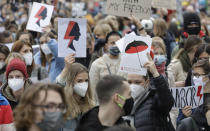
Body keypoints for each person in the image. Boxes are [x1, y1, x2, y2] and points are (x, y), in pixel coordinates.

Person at [131, 53, 174, 131]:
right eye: (129, 82)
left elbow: (167, 102)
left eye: (137, 82)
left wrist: (155, 74)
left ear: (147, 82)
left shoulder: (153, 98)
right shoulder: (124, 101)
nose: (133, 85)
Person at [58, 60, 95, 131]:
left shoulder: (91, 104)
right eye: (79, 81)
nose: (84, 84)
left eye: (86, 80)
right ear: (70, 82)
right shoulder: (62, 104)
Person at [89, 31, 126, 99]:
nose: (115, 45)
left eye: (118, 43)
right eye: (112, 43)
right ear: (106, 46)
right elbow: (93, 89)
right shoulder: (97, 64)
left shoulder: (127, 62)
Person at [177, 59, 210, 125]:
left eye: (197, 75)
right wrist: (185, 116)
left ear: (207, 77)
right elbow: (179, 124)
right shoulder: (188, 95)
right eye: (194, 75)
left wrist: (192, 117)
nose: (194, 78)